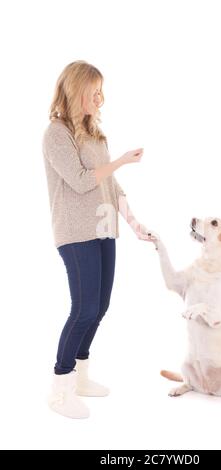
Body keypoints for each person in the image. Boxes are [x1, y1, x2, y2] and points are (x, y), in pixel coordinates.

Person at [42, 60, 158, 419]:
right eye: (93, 91)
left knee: (100, 307)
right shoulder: (55, 134)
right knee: (84, 308)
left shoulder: (94, 133)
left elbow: (108, 183)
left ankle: (80, 377)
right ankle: (60, 387)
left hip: (105, 228)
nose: (99, 98)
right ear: (76, 90)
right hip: (76, 234)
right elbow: (80, 179)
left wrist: (135, 223)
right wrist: (121, 161)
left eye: (100, 91)